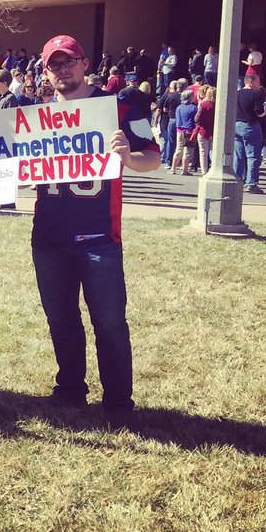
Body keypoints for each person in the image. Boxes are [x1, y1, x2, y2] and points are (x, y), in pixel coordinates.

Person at [30, 35, 159, 428]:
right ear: (46, 72)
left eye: (69, 62)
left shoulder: (123, 108)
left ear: (85, 64)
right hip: (49, 235)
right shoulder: (36, 118)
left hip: (99, 235)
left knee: (109, 322)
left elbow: (152, 158)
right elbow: (16, 165)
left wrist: (129, 158)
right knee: (61, 319)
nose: (62, 70)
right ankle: (70, 388)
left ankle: (118, 401)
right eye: (54, 64)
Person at [234, 72, 266, 194]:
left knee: (238, 156)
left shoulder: (236, 94)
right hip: (250, 126)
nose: (259, 84)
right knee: (252, 156)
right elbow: (259, 112)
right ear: (251, 81)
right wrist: (265, 111)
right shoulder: (256, 94)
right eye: (257, 81)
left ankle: (237, 180)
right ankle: (251, 183)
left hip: (236, 125)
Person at [171, 89, 197, 175]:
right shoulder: (194, 108)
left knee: (178, 149)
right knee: (187, 151)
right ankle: (184, 170)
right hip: (189, 131)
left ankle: (173, 168)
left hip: (179, 130)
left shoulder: (179, 107)